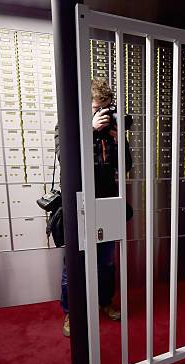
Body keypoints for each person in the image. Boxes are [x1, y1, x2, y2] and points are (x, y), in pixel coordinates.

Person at [58, 79, 133, 337]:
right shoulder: (69, 127)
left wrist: (119, 138)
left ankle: (105, 302)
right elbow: (64, 157)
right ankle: (72, 311)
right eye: (95, 108)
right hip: (79, 203)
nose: (102, 113)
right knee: (74, 264)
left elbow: (126, 166)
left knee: (106, 262)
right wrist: (89, 130)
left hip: (107, 202)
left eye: (105, 107)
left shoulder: (111, 131)